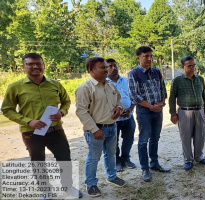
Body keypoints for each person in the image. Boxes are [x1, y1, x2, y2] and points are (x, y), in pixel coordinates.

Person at [1, 53, 82, 198]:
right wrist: (28, 121)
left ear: (44, 66)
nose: (35, 66)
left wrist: (61, 113)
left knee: (64, 159)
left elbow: (66, 102)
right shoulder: (15, 87)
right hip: (32, 133)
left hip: (56, 130)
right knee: (38, 162)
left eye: (38, 63)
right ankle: (46, 191)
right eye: (31, 64)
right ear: (23, 67)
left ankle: (68, 187)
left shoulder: (55, 84)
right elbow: (7, 109)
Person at [75, 57, 126, 197]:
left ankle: (112, 176)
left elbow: (119, 100)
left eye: (106, 67)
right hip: (96, 130)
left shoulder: (110, 85)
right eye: (102, 67)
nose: (106, 69)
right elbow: (81, 111)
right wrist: (95, 129)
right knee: (94, 157)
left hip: (112, 127)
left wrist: (119, 108)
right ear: (90, 70)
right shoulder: (85, 88)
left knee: (111, 154)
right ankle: (91, 184)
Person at [128, 46, 170, 182]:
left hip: (158, 111)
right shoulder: (133, 74)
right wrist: (152, 106)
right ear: (138, 58)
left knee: (155, 138)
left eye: (151, 56)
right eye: (146, 56)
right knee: (143, 140)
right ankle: (145, 169)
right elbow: (134, 96)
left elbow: (163, 89)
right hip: (144, 111)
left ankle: (154, 163)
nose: (150, 59)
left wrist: (161, 103)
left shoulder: (156, 72)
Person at [169, 56, 205, 171]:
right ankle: (188, 159)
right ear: (183, 67)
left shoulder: (200, 79)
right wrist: (173, 113)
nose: (192, 68)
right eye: (189, 66)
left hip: (199, 111)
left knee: (200, 136)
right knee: (185, 137)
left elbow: (204, 95)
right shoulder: (177, 81)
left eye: (194, 65)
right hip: (184, 112)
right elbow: (172, 98)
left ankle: (199, 156)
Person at [106, 58, 136, 172]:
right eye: (110, 66)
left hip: (129, 116)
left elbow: (134, 96)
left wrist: (130, 109)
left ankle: (126, 159)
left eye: (115, 65)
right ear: (106, 68)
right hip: (113, 119)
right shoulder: (105, 83)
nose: (114, 68)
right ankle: (117, 161)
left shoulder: (126, 80)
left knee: (129, 139)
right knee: (114, 141)